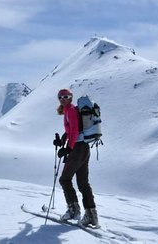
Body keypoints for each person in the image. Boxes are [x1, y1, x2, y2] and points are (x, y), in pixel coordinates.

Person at [54, 88, 99, 226]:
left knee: (65, 179)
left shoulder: (71, 110)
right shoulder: (70, 110)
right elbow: (71, 131)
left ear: (71, 97)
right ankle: (91, 215)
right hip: (83, 147)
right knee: (83, 183)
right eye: (60, 97)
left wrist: (68, 148)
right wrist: (62, 140)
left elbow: (75, 131)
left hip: (78, 148)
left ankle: (74, 210)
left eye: (66, 96)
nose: (63, 98)